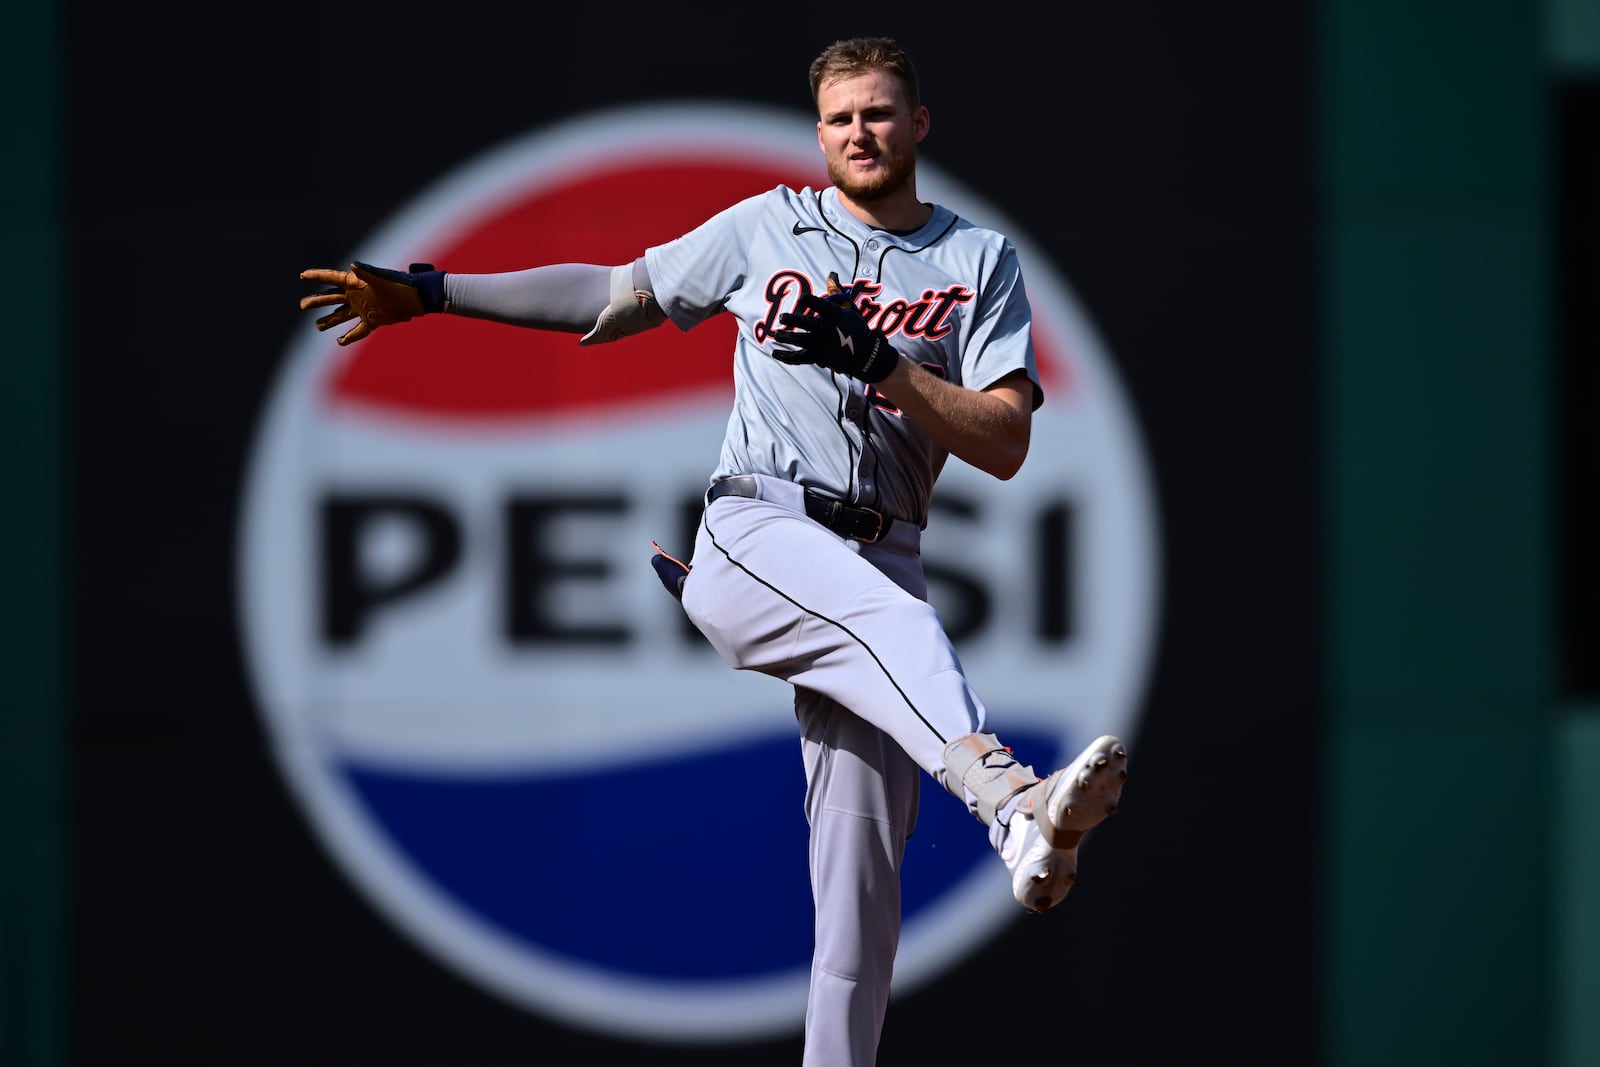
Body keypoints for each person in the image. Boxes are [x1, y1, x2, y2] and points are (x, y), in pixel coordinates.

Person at [298, 35, 1129, 1066]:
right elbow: (610, 297)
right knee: (896, 625)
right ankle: (1008, 800)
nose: (858, 132)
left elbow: (1003, 442)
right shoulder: (766, 226)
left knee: (859, 886)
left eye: (877, 112)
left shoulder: (977, 262)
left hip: (885, 550)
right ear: (818, 131)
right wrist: (433, 291)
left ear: (918, 124)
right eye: (839, 117)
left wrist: (882, 364)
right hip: (756, 530)